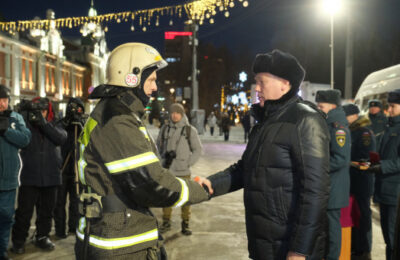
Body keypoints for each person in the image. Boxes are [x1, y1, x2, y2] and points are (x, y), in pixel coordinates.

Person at [74, 42, 209, 260]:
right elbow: (152, 184)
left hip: (117, 234)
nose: (155, 87)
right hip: (119, 245)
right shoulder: (117, 120)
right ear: (131, 76)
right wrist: (198, 190)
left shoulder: (117, 114)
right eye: (152, 79)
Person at [197, 49, 330, 260]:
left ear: (285, 84)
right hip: (264, 242)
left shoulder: (305, 120)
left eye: (261, 82)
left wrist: (300, 250)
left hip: (290, 247)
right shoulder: (266, 122)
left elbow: (315, 192)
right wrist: (210, 184)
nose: (256, 88)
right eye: (255, 81)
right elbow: (245, 169)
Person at [11, 97, 67, 254]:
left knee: (47, 211)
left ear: (48, 110)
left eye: (43, 111)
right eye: (37, 111)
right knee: (24, 211)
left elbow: (60, 138)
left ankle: (42, 236)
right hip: (30, 174)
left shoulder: (55, 123)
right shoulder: (25, 124)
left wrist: (43, 123)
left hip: (51, 174)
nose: (41, 114)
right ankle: (18, 240)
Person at [315, 89, 351, 260]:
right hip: (328, 185)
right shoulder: (329, 123)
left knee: (332, 229)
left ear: (332, 106)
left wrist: (318, 167)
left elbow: (341, 158)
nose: (318, 109)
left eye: (321, 106)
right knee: (326, 229)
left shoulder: (338, 128)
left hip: (334, 187)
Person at [156, 103, 202, 235]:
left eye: (177, 112)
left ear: (182, 114)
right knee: (166, 197)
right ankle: (166, 222)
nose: (174, 115)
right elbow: (158, 147)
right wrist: (161, 161)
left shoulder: (189, 130)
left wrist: (188, 163)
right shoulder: (165, 128)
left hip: (183, 171)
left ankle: (185, 224)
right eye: (172, 112)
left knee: (185, 198)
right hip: (168, 170)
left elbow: (198, 150)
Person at [0, 85, 31, 260]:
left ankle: (2, 252)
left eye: (4, 100)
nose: (1, 103)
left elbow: (25, 139)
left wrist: (6, 131)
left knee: (5, 218)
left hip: (9, 180)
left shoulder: (15, 117)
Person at [342, 103, 376, 260]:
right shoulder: (351, 131)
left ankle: (363, 248)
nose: (344, 118)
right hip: (353, 180)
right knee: (354, 214)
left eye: (346, 115)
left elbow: (367, 158)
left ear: (354, 116)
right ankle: (355, 244)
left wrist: (349, 162)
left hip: (362, 181)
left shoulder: (364, 133)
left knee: (363, 215)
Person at [371, 89, 400, 260]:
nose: (389, 110)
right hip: (385, 190)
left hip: (395, 192)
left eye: (393, 106)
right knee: (388, 238)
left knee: (393, 238)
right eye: (389, 106)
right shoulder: (390, 126)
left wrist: (381, 166)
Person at [54, 98, 86, 239]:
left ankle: (74, 227)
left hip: (76, 170)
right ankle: (60, 230)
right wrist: (66, 124)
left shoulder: (82, 124)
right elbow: (56, 137)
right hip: (62, 168)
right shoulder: (61, 124)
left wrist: (79, 124)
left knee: (76, 201)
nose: (78, 112)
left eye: (80, 109)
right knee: (59, 203)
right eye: (76, 109)